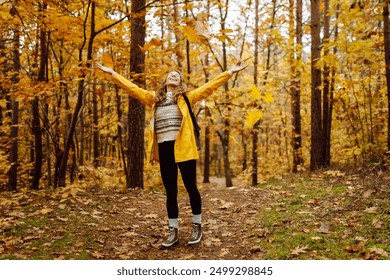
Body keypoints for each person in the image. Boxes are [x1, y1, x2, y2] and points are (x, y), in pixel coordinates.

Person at [95, 60, 247, 248]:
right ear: (165, 80)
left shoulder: (187, 97)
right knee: (171, 192)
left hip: (184, 148)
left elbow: (209, 87)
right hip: (165, 149)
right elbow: (132, 88)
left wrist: (229, 72)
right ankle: (172, 231)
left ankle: (197, 226)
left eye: (178, 75)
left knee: (191, 187)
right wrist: (113, 74)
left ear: (181, 82)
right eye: (171, 74)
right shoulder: (154, 99)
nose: (174, 76)